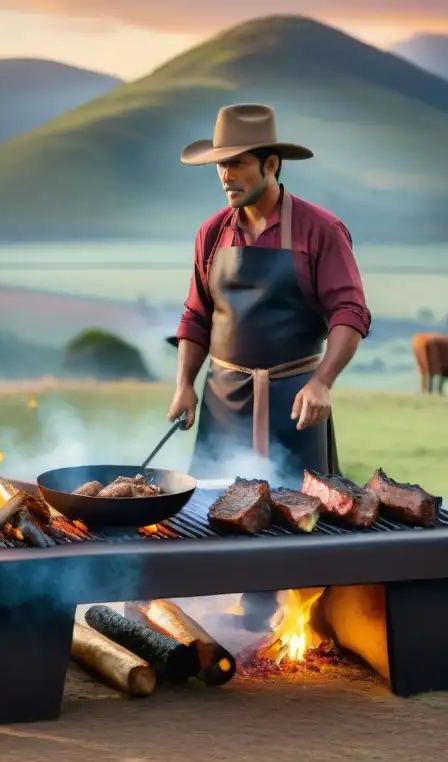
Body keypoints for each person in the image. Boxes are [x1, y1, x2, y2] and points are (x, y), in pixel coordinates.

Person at [168, 102, 371, 489]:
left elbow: (350, 312)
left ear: (271, 165)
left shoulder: (321, 230)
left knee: (301, 518)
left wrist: (322, 382)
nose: (226, 176)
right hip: (222, 404)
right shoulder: (211, 233)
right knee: (212, 516)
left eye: (238, 163)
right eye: (220, 165)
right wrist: (184, 386)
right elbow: (196, 317)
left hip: (296, 406)